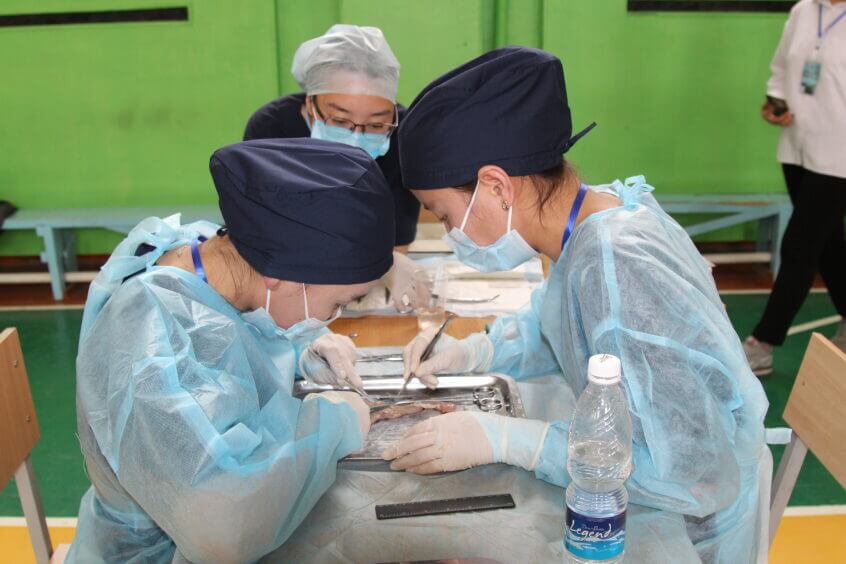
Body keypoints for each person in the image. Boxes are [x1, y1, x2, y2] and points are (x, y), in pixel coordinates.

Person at [382, 47, 769, 563]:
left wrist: (509, 441)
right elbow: (559, 323)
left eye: (446, 215)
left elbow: (688, 471)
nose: (452, 233)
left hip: (689, 529)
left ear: (496, 186)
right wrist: (472, 352)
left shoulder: (619, 260)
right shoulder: (593, 220)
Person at [67, 138, 395, 562]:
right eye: (338, 304)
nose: (334, 317)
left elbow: (226, 335)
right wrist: (334, 424)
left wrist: (300, 346)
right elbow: (222, 525)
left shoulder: (214, 254)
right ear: (282, 275)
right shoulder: (147, 330)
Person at [244, 24, 421, 309]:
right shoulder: (271, 130)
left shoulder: (402, 135)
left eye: (376, 124)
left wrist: (391, 265)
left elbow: (397, 231)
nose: (357, 136)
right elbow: (262, 231)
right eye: (339, 121)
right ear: (310, 103)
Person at [743, 0, 846, 375]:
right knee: (827, 243)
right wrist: (775, 104)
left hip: (839, 157)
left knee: (800, 245)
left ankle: (762, 343)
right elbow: (781, 69)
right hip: (797, 147)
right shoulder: (804, 10)